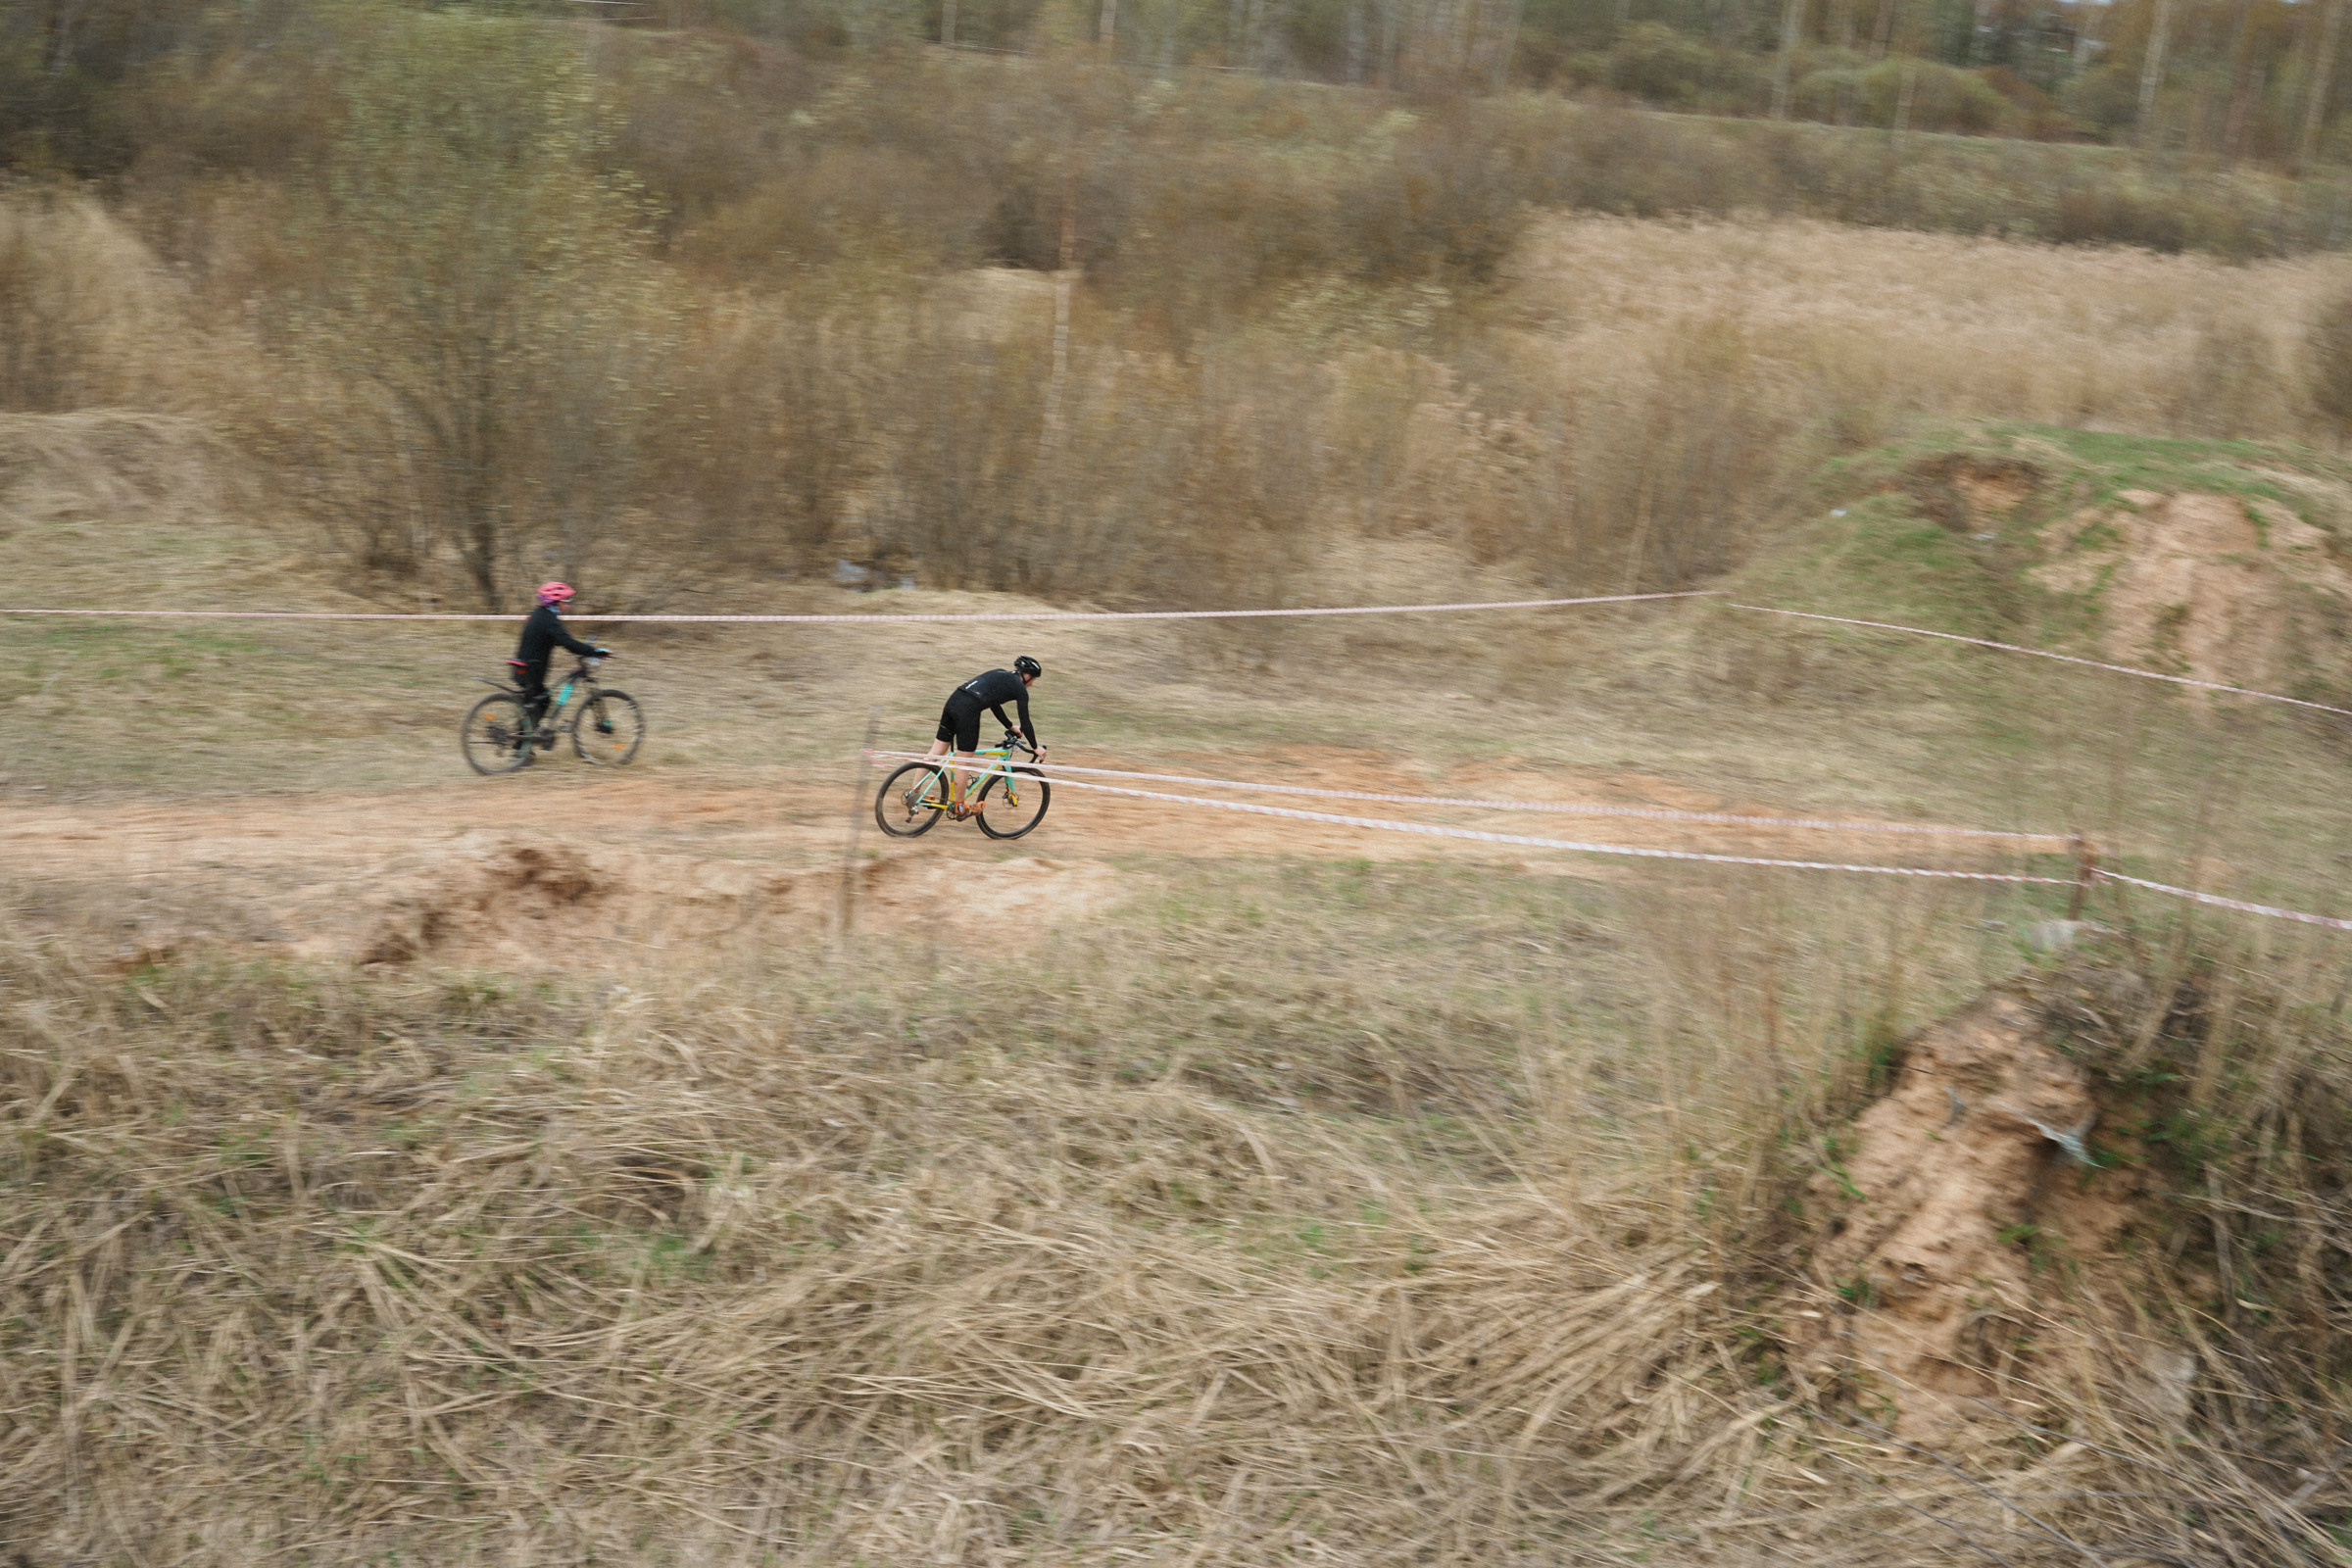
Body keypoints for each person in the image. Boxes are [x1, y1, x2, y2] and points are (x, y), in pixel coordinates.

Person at [925, 656, 1047, 818]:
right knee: (964, 762)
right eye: (1033, 680)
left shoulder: (1000, 673)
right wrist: (1035, 747)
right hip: (968, 709)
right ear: (1027, 676)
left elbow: (993, 703)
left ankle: (913, 793)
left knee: (936, 752)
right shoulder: (1020, 690)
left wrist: (1010, 726)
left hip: (954, 699)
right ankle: (960, 808)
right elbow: (1026, 723)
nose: (1032, 684)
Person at [510, 582, 610, 757]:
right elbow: (567, 642)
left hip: (524, 667)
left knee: (536, 704)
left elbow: (555, 639)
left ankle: (522, 746)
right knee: (541, 703)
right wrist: (595, 652)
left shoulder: (538, 615)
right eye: (566, 601)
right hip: (532, 669)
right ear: (555, 603)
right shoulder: (549, 619)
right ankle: (521, 750)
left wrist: (581, 648)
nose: (569, 605)